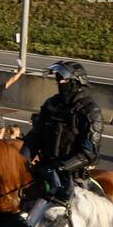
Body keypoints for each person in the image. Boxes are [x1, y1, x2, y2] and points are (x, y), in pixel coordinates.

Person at [23, 61, 103, 201]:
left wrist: (59, 168)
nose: (59, 82)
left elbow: (88, 153)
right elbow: (34, 137)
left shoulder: (90, 111)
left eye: (62, 78)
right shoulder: (51, 104)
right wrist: (21, 160)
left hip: (72, 176)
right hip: (44, 169)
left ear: (74, 82)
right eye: (57, 78)